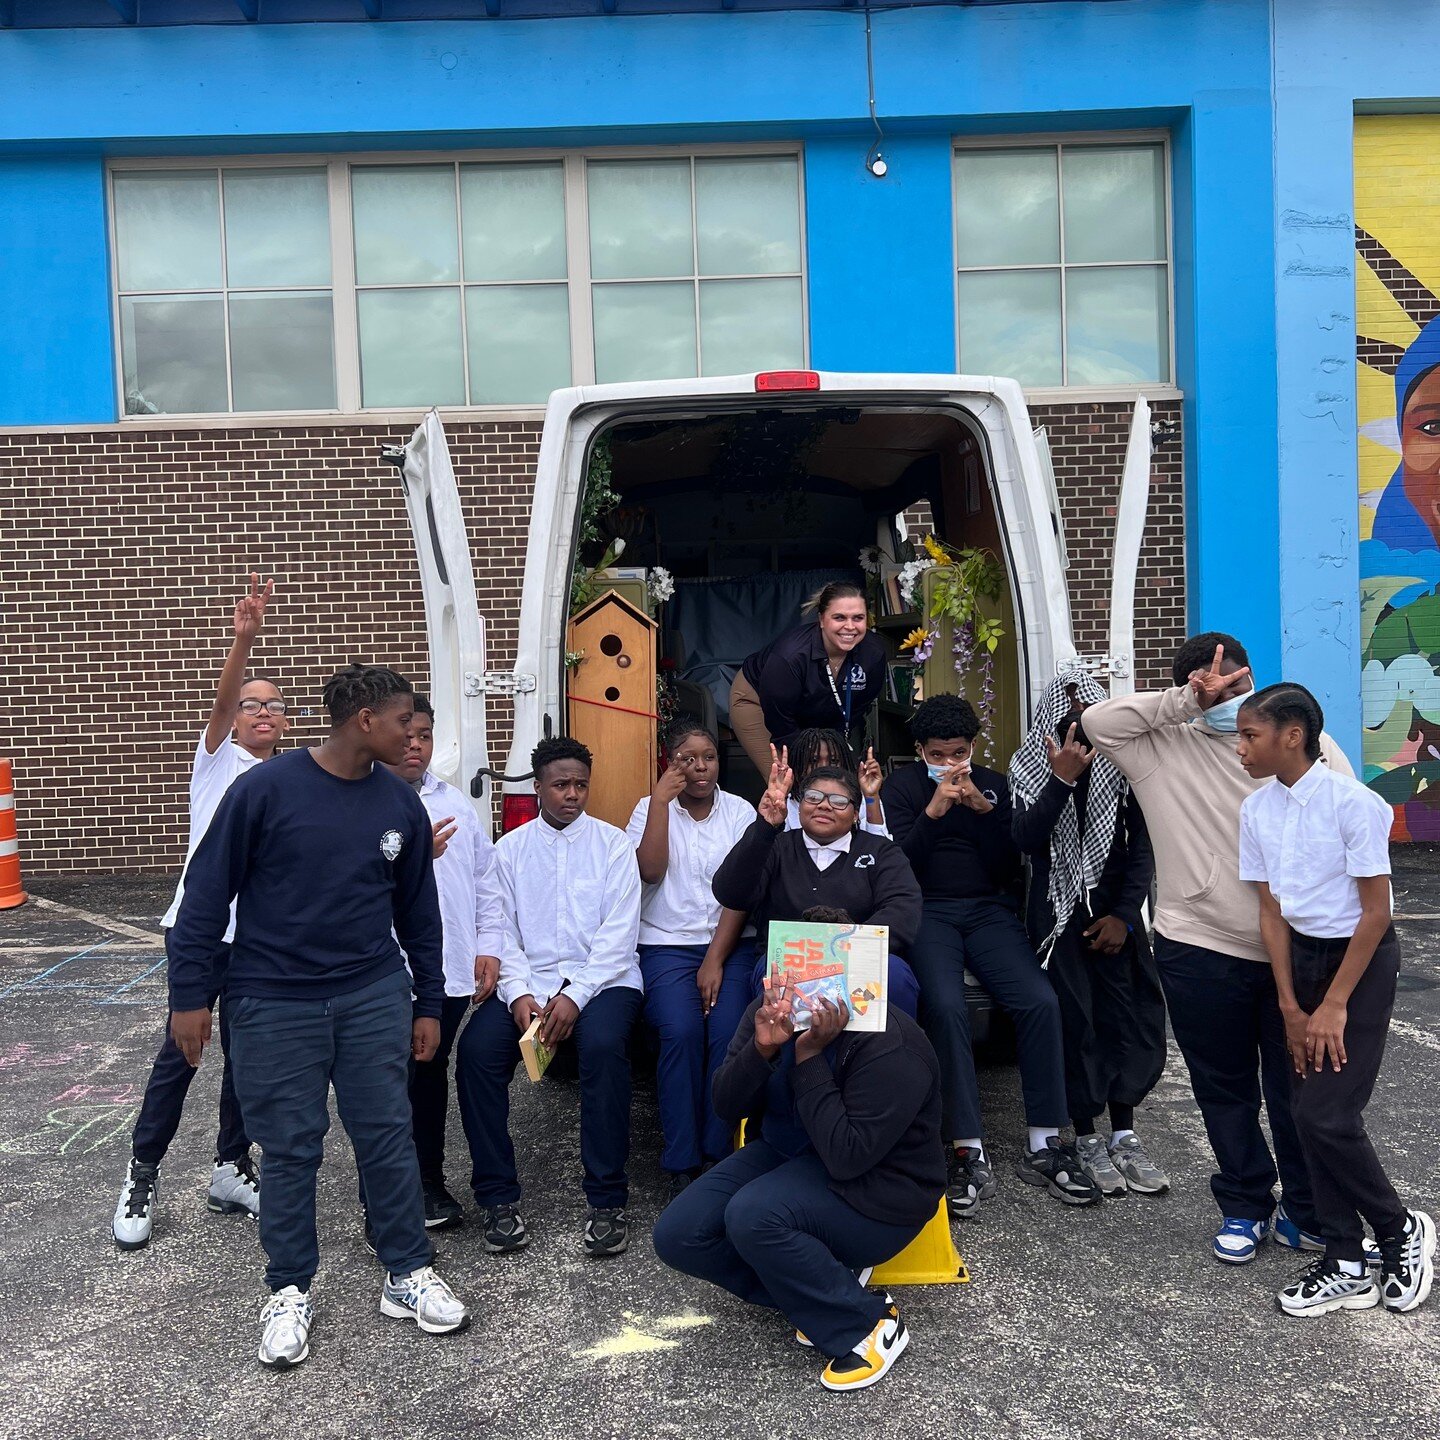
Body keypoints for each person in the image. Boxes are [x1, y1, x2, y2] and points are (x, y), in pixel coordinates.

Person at [168, 663, 470, 1369]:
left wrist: (428, 1001)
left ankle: (405, 1272)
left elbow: (419, 915)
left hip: (372, 995)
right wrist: (190, 997)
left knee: (387, 1137)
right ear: (364, 717)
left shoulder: (400, 804)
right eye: (403, 722)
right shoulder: (264, 791)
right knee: (291, 1148)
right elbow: (205, 894)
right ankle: (288, 1289)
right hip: (272, 1000)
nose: (413, 737)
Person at [1083, 634, 1354, 1264]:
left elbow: (1350, 822)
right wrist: (1186, 702)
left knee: (1298, 1089)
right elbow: (1099, 721)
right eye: (1220, 692)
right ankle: (1243, 1204)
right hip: (1203, 946)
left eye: (1241, 684)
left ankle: (1306, 1212)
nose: (1236, 700)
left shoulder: (1306, 745)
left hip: (1301, 949)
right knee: (1224, 1087)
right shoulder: (1162, 747)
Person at [653, 949, 946, 1393]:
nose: (811, 988)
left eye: (829, 975)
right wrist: (762, 1049)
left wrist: (808, 1057)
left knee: (753, 1215)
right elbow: (725, 1107)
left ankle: (868, 1326)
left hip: (882, 1191)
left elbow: (847, 1156)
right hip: (791, 1155)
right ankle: (826, 1288)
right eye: (800, 972)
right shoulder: (769, 1010)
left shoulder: (892, 1042)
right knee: (678, 1234)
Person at [1236, 683, 1434, 1317]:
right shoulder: (1257, 809)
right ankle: (1345, 1259)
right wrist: (1292, 1006)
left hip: (1360, 963)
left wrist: (1335, 1005)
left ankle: (1399, 1228)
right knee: (1302, 1111)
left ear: (1291, 735)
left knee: (1327, 1114)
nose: (1240, 747)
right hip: (1301, 960)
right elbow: (1271, 912)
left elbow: (1376, 913)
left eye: (1249, 735)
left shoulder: (1357, 804)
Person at [113, 574, 286, 1252]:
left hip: (259, 941)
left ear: (287, 719)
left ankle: (230, 1167)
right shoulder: (217, 763)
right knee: (181, 1053)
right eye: (250, 705)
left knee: (250, 1057)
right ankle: (143, 1172)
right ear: (236, 719)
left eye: (273, 705)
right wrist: (243, 642)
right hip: (198, 931)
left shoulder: (291, 777)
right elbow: (219, 701)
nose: (261, 712)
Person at [882, 695, 1099, 1215]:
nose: (950, 763)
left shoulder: (996, 784)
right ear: (919, 751)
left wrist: (982, 810)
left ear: (973, 747)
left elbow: (1011, 863)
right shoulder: (902, 788)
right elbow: (897, 866)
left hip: (988, 911)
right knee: (946, 1006)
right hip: (927, 911)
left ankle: (1047, 1141)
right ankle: (966, 1148)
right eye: (939, 754)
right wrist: (934, 813)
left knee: (1039, 1002)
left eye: (959, 752)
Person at [456, 737, 644, 1259]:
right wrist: (518, 994)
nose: (572, 794)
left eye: (581, 784)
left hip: (603, 981)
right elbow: (499, 930)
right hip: (530, 984)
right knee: (475, 1055)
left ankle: (607, 1201)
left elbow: (619, 935)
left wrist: (577, 996)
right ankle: (496, 1197)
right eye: (560, 784)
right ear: (538, 787)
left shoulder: (612, 845)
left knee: (604, 1048)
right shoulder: (509, 850)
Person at [1010, 673, 1169, 1198]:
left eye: (1089, 715)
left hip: (1114, 912)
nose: (1080, 727)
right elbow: (1027, 840)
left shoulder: (1127, 766)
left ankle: (1124, 1133)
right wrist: (1061, 780)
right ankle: (1084, 1137)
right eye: (1070, 715)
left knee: (1125, 1017)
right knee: (1075, 1024)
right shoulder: (1029, 765)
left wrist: (1125, 915)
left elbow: (1143, 846)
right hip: (1056, 918)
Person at [384, 694, 503, 1230]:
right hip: (385, 971)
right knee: (388, 1083)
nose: (415, 744)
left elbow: (485, 881)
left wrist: (489, 945)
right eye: (406, 733)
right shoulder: (366, 798)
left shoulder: (455, 801)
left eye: (425, 735)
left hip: (450, 968)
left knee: (430, 1076)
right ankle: (386, 1191)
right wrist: (410, 860)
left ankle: (429, 1180)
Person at [628, 717, 757, 1199]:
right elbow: (649, 871)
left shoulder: (741, 812)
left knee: (727, 1032)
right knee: (679, 1031)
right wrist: (661, 803)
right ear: (669, 762)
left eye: (708, 757)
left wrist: (716, 960)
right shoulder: (648, 808)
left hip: (733, 944)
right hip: (665, 944)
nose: (699, 767)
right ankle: (681, 1159)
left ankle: (717, 1154)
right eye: (687, 758)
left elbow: (742, 893)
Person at [711, 750, 922, 1019]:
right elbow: (730, 893)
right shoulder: (777, 846)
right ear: (800, 807)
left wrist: (837, 951)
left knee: (897, 976)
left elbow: (903, 910)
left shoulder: (881, 852)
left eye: (838, 800)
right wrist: (765, 826)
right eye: (813, 798)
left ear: (856, 814)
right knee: (773, 983)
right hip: (787, 965)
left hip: (861, 961)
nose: (824, 805)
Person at [729, 582, 887, 777]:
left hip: (814, 708)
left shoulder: (874, 653)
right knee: (786, 779)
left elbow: (856, 708)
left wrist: (831, 747)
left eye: (858, 618)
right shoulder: (790, 656)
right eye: (839, 617)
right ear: (821, 619)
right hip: (758, 702)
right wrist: (809, 758)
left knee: (835, 779)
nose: (850, 626)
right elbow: (782, 725)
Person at [784, 728, 890, 839]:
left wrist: (871, 797)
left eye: (833, 761)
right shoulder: (786, 801)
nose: (824, 766)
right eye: (814, 761)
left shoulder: (864, 800)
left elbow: (881, 849)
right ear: (800, 765)